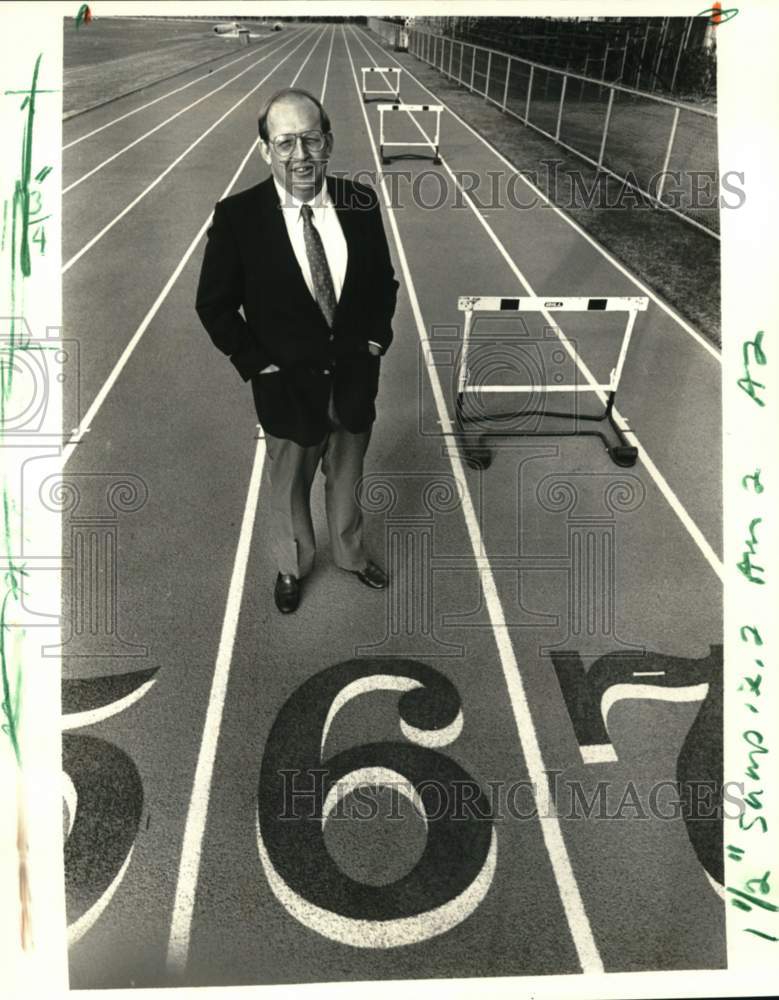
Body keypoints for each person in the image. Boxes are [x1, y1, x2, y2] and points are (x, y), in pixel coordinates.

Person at [196, 88, 399, 613]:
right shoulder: (238, 217)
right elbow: (214, 305)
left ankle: (351, 555)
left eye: (311, 140)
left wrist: (378, 339)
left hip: (354, 379)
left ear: (328, 142)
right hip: (285, 389)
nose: (300, 156)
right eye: (285, 143)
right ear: (265, 150)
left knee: (347, 482)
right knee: (289, 492)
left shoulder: (360, 201)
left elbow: (383, 283)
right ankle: (293, 566)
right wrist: (254, 362)